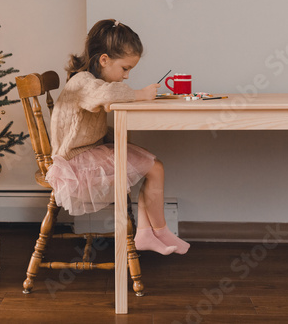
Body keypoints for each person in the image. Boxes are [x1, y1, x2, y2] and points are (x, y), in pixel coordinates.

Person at [46, 19, 189, 255]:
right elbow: (107, 95)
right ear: (104, 60)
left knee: (154, 167)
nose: (126, 77)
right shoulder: (83, 82)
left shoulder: (92, 81)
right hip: (74, 163)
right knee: (155, 168)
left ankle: (147, 232)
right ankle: (158, 231)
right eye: (125, 69)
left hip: (89, 151)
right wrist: (141, 94)